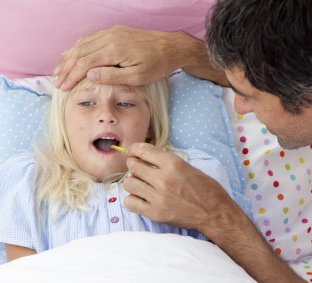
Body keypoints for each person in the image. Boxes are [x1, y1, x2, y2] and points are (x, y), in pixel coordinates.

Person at [54, 1, 311, 282]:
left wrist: (218, 215)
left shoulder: (202, 168)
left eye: (250, 96)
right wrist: (182, 51)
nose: (239, 107)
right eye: (87, 103)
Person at [0, 77, 234, 262]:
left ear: (151, 127)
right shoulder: (29, 182)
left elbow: (218, 266)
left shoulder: (184, 175)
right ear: (63, 124)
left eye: (125, 103)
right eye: (87, 103)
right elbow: (22, 275)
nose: (106, 115)